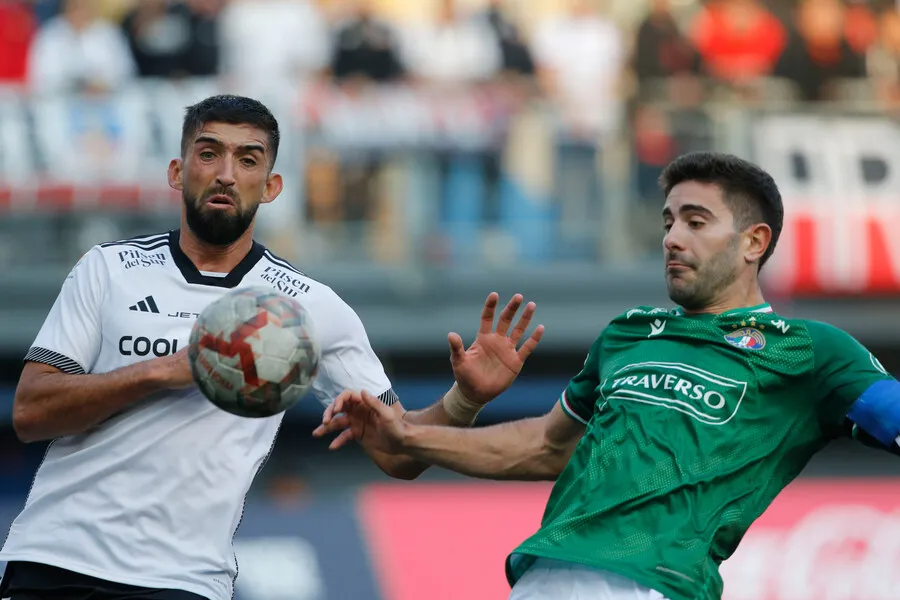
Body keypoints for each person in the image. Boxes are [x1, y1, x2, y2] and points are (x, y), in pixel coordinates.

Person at [0, 94, 544, 600]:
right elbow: (30, 412)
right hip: (54, 561)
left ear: (273, 185)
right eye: (208, 153)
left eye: (249, 159)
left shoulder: (310, 309)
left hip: (182, 581)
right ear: (176, 171)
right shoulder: (108, 269)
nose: (226, 174)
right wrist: (162, 371)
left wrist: (465, 400)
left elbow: (398, 453)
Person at [315, 151, 900, 600]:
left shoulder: (808, 350)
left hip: (653, 582)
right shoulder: (628, 333)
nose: (672, 237)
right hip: (540, 577)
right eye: (669, 221)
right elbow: (546, 447)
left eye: (696, 221)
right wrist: (457, 404)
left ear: (754, 241)